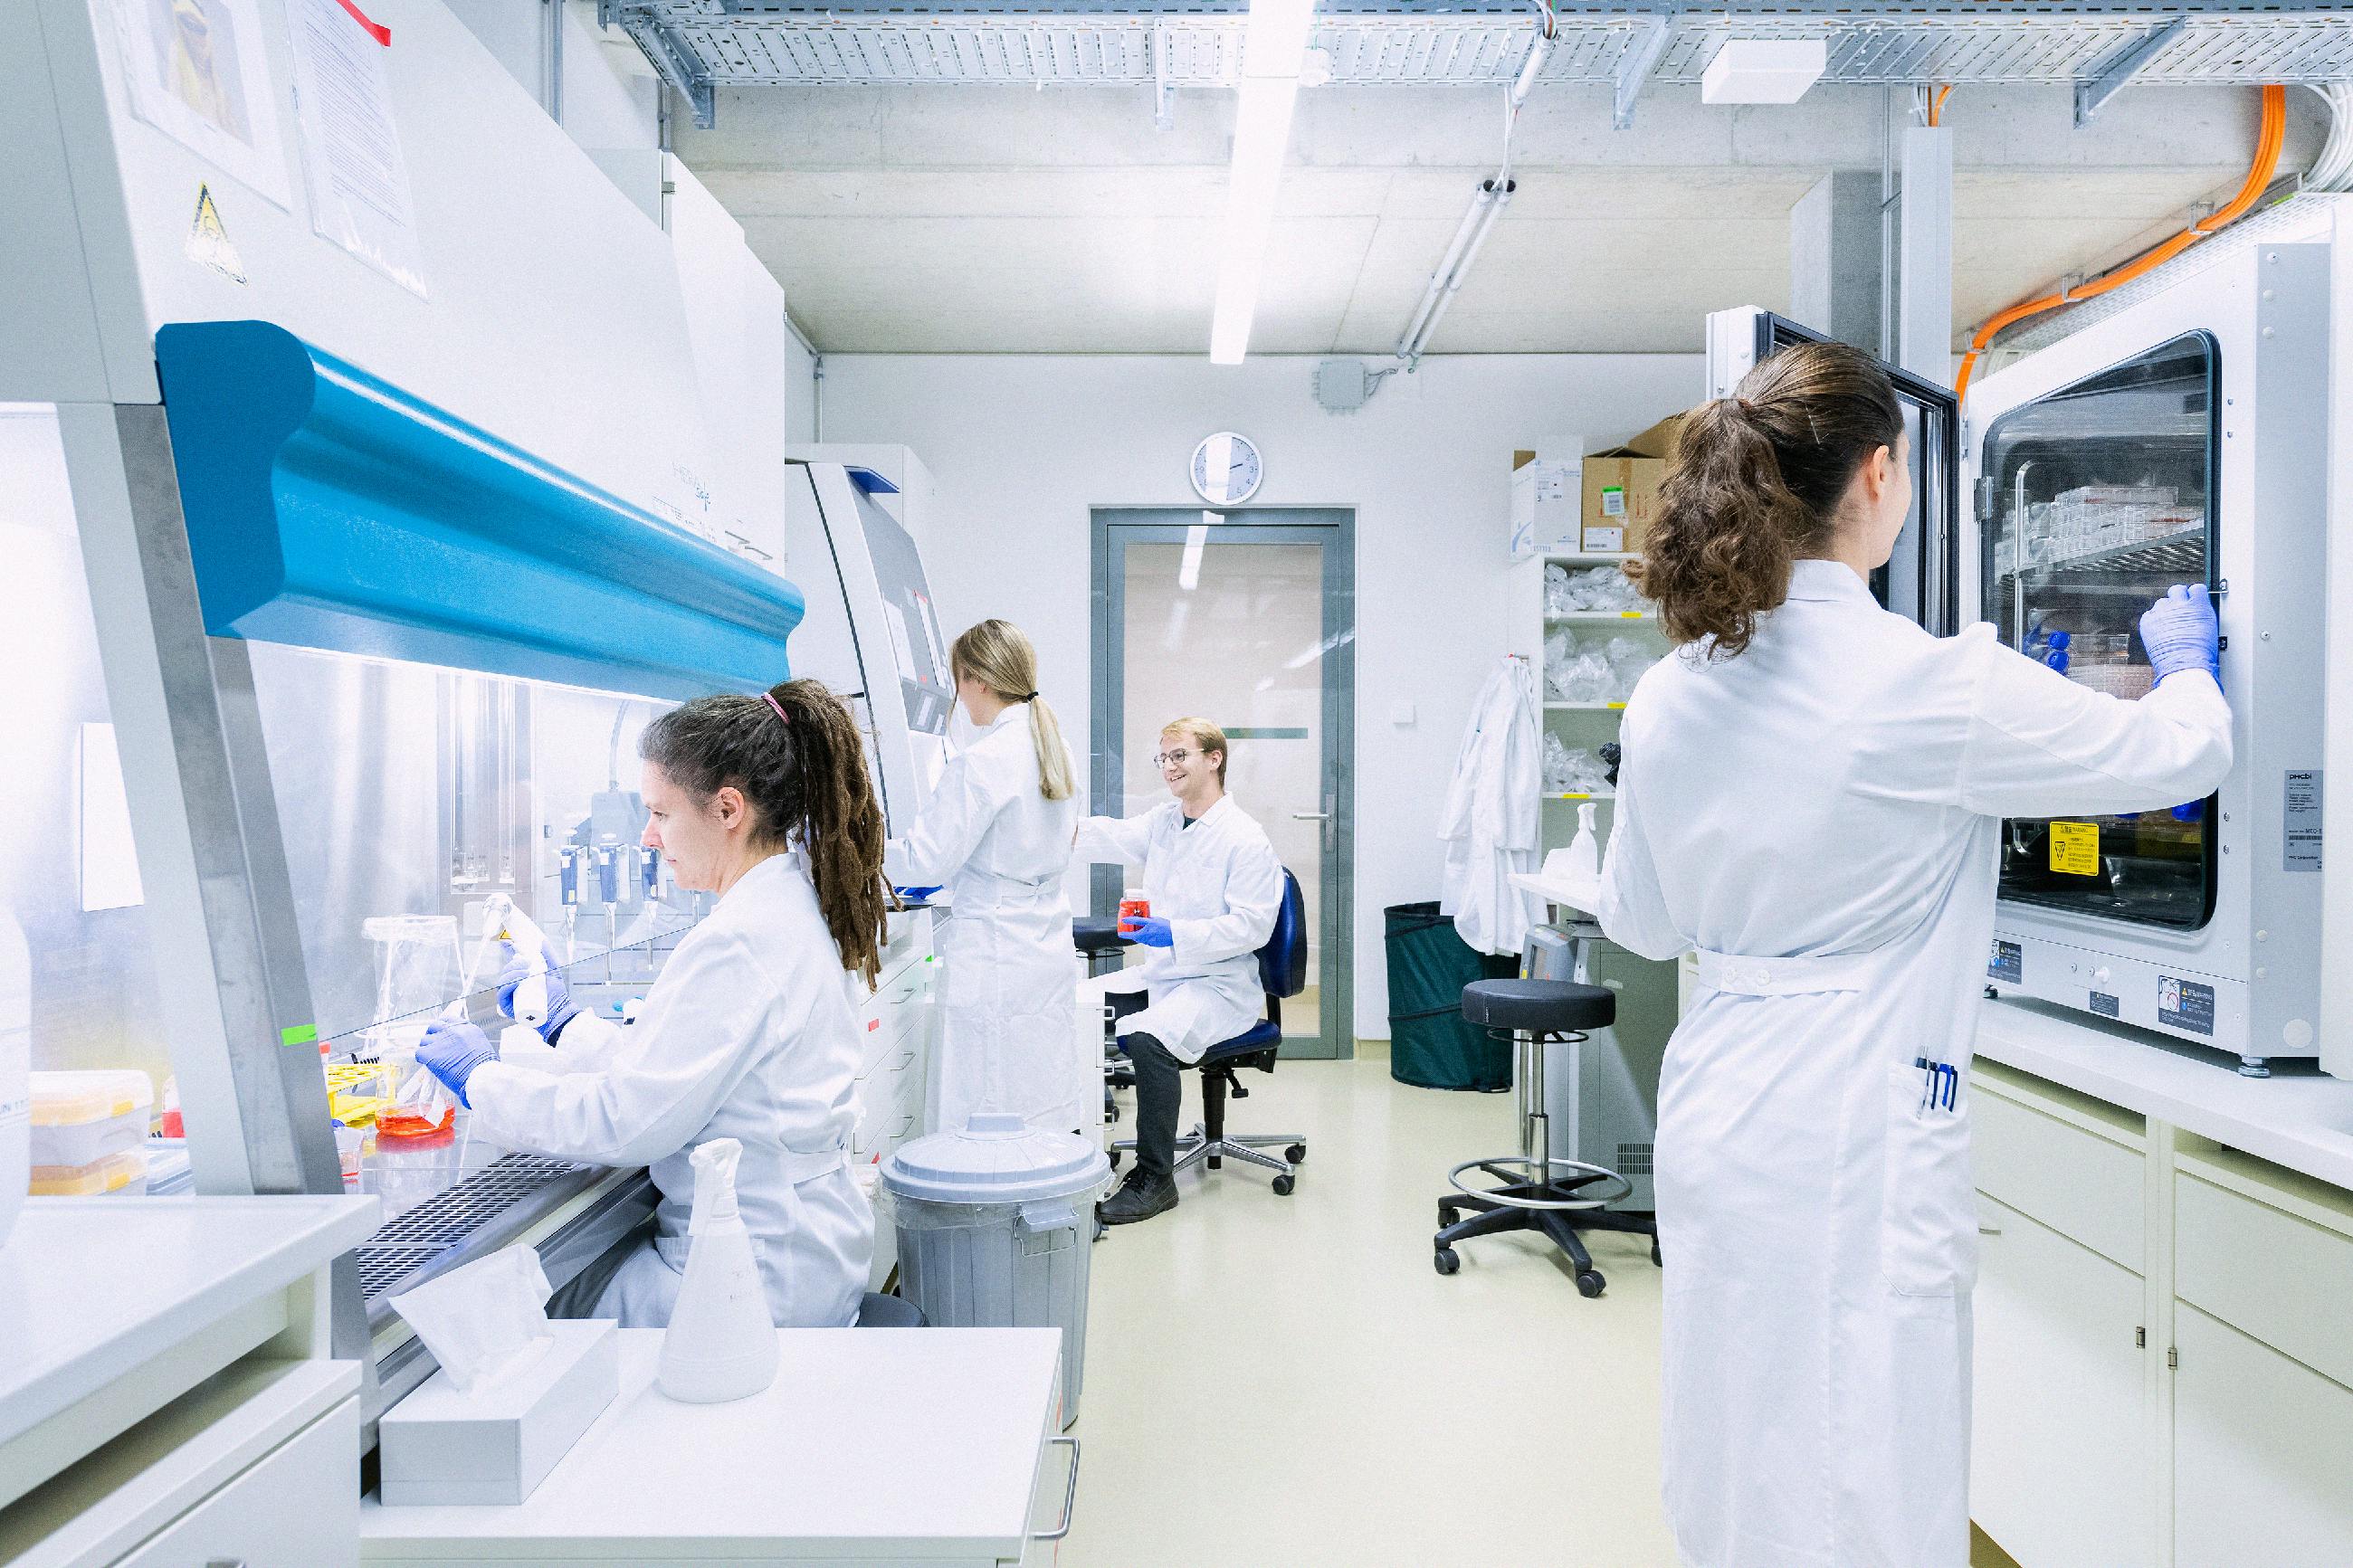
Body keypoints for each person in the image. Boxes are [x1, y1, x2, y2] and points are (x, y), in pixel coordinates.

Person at [1595, 340, 2230, 1568]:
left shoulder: (1672, 691)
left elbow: (1645, 921)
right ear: (1881, 475)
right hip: (1856, 1122)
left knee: (1738, 1436)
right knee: (1865, 1459)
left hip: (1721, 1103)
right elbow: (2173, 759)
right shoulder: (1932, 687)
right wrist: (2191, 668)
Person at [417, 679, 888, 1329]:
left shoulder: (739, 941)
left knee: (522, 1305)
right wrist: (565, 1024)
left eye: (661, 813)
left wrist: (481, 1080)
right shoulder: (779, 906)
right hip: (797, 1248)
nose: (647, 836)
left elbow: (627, 1122)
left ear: (728, 809)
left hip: (753, 1281)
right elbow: (673, 1068)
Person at [1076, 717, 1284, 1225]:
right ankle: (1071, 1155)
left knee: (1149, 1038)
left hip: (1220, 985)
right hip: (1167, 975)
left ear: (1214, 759)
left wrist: (1177, 933)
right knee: (1074, 1007)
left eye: (1179, 756)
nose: (1168, 766)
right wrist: (1054, 821)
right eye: (1163, 757)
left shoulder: (1245, 838)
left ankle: (1156, 1180)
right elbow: (1110, 835)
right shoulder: (1166, 821)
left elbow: (1253, 927)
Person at [888, 619, 1088, 1135]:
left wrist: (849, 850)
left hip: (996, 950)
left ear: (978, 679)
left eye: (958, 683)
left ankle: (987, 1208)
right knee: (1037, 1088)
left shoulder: (982, 762)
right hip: (1043, 942)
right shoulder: (1053, 747)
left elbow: (925, 860)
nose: (960, 698)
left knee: (982, 1095)